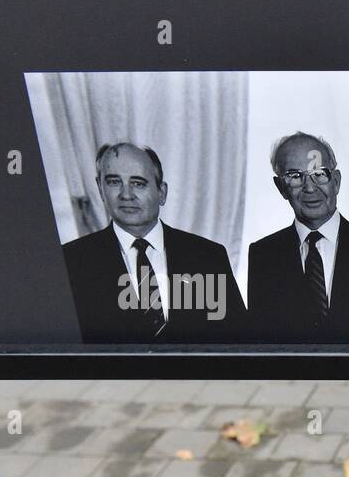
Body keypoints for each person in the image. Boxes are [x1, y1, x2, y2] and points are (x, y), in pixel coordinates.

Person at [63, 142, 245, 343]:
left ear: (162, 192)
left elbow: (239, 346)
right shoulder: (69, 262)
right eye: (114, 182)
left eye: (138, 183)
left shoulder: (209, 256)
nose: (126, 195)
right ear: (100, 188)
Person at [247, 132, 349, 342]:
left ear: (336, 181)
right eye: (295, 176)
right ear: (281, 187)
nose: (309, 187)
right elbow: (263, 348)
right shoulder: (263, 256)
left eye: (320, 173)